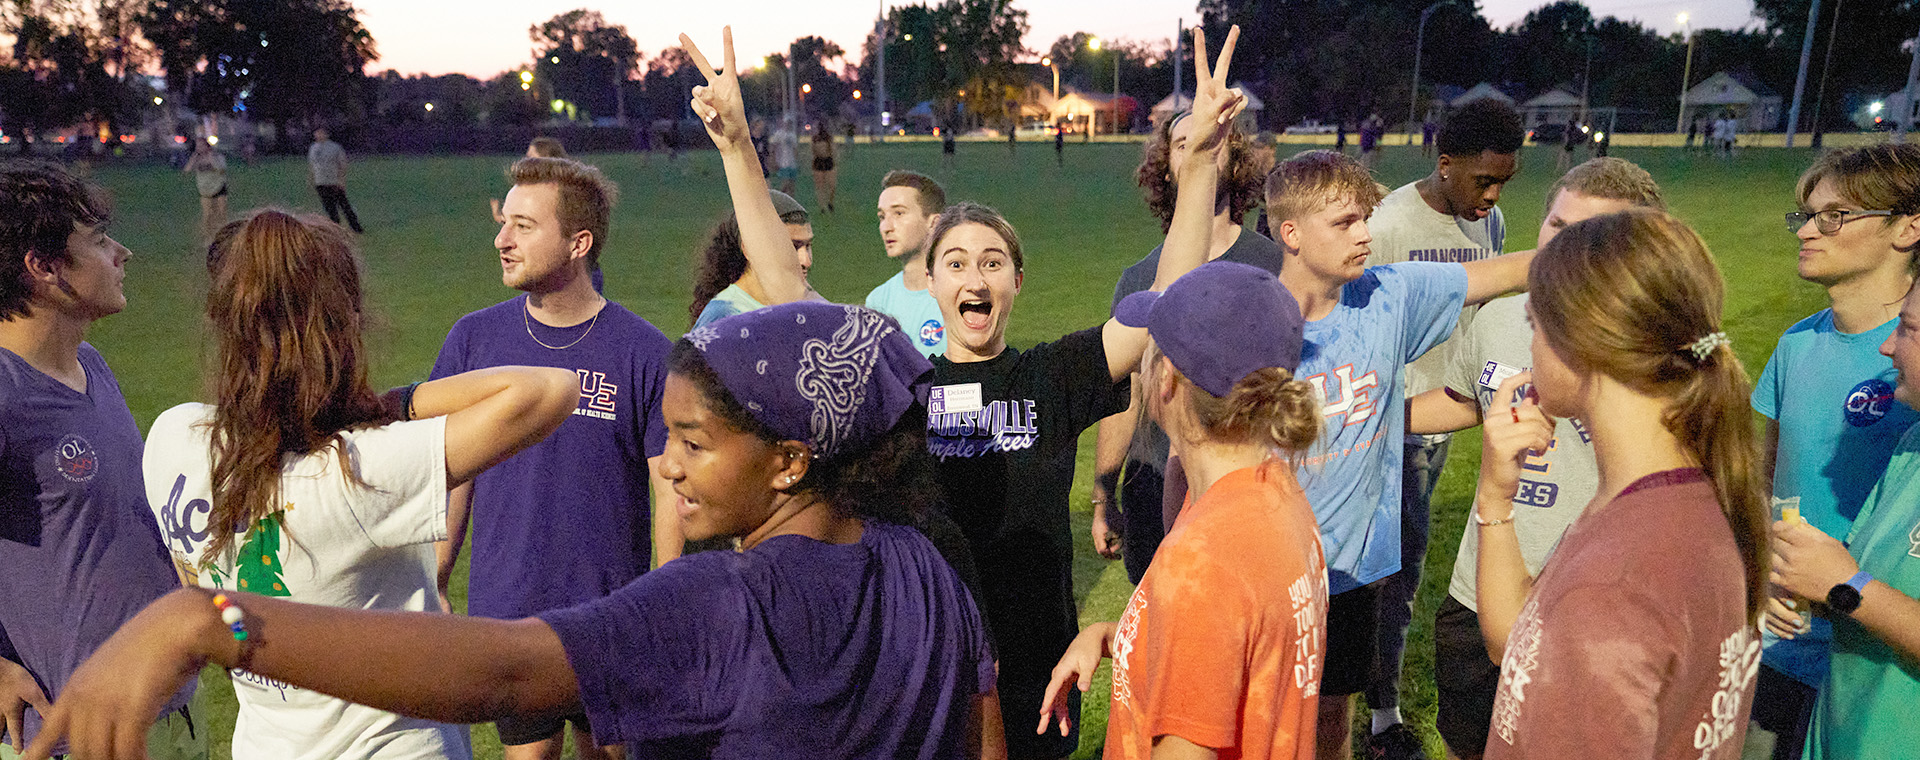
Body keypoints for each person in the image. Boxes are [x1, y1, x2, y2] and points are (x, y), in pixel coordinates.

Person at [21, 295, 999, 760]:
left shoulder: (718, 604)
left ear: (790, 458)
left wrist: (211, 621)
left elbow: (502, 671)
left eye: (696, 443)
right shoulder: (924, 567)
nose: (666, 462)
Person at [144, 209, 579, 760]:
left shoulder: (173, 437)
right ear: (343, 325)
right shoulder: (361, 470)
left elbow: (194, 585)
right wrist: (391, 405)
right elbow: (549, 389)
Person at [922, 27, 1245, 758]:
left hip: (1039, 653)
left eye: (993, 261)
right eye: (956, 262)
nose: (976, 278)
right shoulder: (905, 388)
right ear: (936, 282)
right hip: (938, 659)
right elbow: (789, 291)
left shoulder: (1052, 375)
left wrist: (1197, 169)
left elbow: (1167, 299)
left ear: (1015, 282)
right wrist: (739, 156)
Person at [1256, 149, 1536, 760]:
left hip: (1353, 568)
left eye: (1365, 219)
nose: (1364, 236)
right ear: (1292, 234)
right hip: (1267, 569)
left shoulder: (1389, 296)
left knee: (1333, 716)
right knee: (1264, 720)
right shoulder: (1251, 325)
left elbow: (1508, 272)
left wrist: (1611, 247)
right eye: (1345, 223)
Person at [1474, 209, 1765, 759]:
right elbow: (1516, 640)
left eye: (1535, 327)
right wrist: (1496, 497)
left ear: (1583, 345)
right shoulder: (1688, 497)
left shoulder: (1615, 585)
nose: (1529, 347)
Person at [1404, 157, 1666, 760]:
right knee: (1471, 740)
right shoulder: (1501, 318)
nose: (1566, 245)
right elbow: (1460, 399)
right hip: (1476, 590)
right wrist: (1358, 414)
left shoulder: (1656, 351)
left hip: (1582, 603)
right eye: (1557, 225)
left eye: (1593, 232)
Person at [431, 156, 677, 760]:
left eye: (523, 225)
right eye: (504, 222)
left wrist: (669, 599)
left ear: (578, 243)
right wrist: (434, 574)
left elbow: (671, 487)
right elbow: (447, 469)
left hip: (613, 619)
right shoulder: (474, 340)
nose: (501, 240)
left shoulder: (645, 351)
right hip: (510, 615)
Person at [1038, 260, 1329, 760]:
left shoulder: (1203, 558)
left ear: (1166, 379)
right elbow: (1231, 645)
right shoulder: (1272, 490)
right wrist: (1117, 639)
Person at [0, 160, 203, 760]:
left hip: (171, 711)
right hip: (72, 737)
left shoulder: (95, 368)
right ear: (42, 268)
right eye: (97, 241)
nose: (124, 252)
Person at [1357, 94, 1522, 760]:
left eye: (1504, 182)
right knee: (1362, 571)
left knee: (1402, 571)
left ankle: (1381, 710)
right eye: (1482, 180)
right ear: (1444, 163)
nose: (1492, 195)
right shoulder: (1388, 223)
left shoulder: (1493, 225)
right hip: (1375, 423)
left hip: (1439, 420)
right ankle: (1359, 708)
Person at [1746, 144, 1920, 760]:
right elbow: (1761, 483)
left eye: (1834, 216)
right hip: (1780, 643)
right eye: (1807, 215)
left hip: (1876, 667)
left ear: (1908, 226)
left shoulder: (1915, 362)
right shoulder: (1796, 344)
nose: (1810, 231)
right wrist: (1761, 563)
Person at [1092, 111, 1278, 583]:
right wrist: (1103, 495)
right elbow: (1125, 396)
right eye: (1182, 143)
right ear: (1166, 166)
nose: (1196, 150)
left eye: (1211, 139)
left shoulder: (1278, 268)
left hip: (1248, 489)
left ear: (1235, 157)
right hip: (1151, 491)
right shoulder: (1139, 279)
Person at [1771, 279, 1920, 760]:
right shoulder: (1912, 445)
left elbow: (1854, 585)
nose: (1886, 345)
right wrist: (1797, 580)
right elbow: (1864, 577)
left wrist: (1843, 586)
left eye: (1909, 330)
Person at [688, 190, 815, 328]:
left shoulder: (805, 307)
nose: (806, 261)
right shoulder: (724, 317)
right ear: (750, 249)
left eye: (808, 246)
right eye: (792, 247)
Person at [866, 170, 949, 356]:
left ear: (934, 223)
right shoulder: (878, 301)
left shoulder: (957, 294)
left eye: (899, 213)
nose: (886, 227)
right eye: (882, 217)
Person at [307, 128, 364, 234]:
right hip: (320, 182)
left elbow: (342, 164)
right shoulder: (313, 148)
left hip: (333, 181)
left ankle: (356, 227)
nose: (318, 135)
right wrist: (311, 180)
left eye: (321, 133)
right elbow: (312, 165)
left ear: (326, 134)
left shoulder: (334, 147)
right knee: (329, 207)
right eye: (317, 133)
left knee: (344, 206)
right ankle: (335, 228)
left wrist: (341, 180)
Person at [182, 137, 228, 242]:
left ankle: (223, 234)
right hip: (205, 189)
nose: (200, 148)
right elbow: (187, 170)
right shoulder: (196, 159)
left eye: (202, 145)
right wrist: (194, 157)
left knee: (221, 212)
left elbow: (221, 169)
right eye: (198, 146)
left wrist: (211, 157)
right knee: (207, 215)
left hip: (219, 186)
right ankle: (208, 236)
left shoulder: (217, 157)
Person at [810, 124, 837, 213]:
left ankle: (830, 202)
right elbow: (813, 151)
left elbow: (832, 150)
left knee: (832, 185)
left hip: (828, 161)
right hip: (819, 162)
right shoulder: (815, 138)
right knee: (820, 186)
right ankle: (822, 206)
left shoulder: (828, 138)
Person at [771, 115, 799, 196]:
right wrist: (774, 160)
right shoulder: (779, 134)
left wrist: (796, 160)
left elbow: (795, 149)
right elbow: (774, 148)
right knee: (785, 184)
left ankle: (791, 202)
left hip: (792, 163)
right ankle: (782, 198)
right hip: (783, 162)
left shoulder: (792, 135)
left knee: (792, 185)